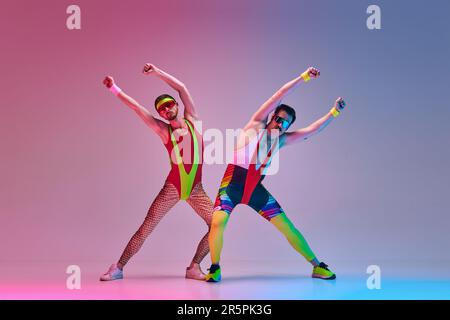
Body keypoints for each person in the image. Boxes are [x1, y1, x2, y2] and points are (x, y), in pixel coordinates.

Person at [206, 67, 346, 282]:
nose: (280, 124)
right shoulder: (255, 125)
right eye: (278, 119)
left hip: (255, 191)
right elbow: (278, 95)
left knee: (287, 227)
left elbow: (313, 131)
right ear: (272, 117)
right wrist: (304, 77)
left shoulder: (281, 140)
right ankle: (214, 267)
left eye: (285, 123)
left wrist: (334, 112)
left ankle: (317, 266)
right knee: (218, 223)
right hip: (231, 187)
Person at [100, 63, 213, 281]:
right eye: (161, 109)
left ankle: (193, 267)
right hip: (172, 187)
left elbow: (182, 88)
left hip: (196, 189)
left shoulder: (194, 122)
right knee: (146, 228)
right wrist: (114, 89)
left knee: (217, 224)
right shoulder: (163, 131)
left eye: (169, 105)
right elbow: (137, 108)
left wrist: (157, 72)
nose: (166, 110)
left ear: (177, 106)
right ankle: (118, 267)